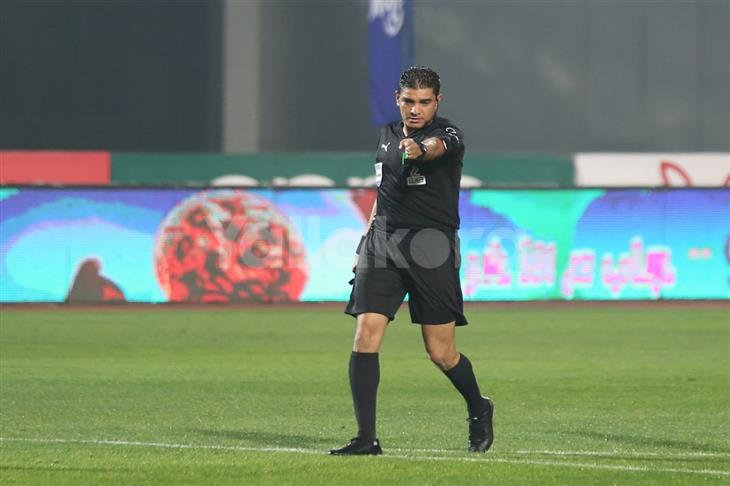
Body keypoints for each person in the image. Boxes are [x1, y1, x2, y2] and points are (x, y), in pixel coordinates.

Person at [330, 67, 493, 456]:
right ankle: (366, 438)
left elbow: (435, 147)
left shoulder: (449, 135)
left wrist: (419, 149)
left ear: (438, 101)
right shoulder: (386, 135)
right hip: (383, 243)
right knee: (365, 334)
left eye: (423, 102)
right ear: (396, 99)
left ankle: (478, 405)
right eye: (408, 101)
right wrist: (364, 241)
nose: (415, 109)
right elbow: (382, 192)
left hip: (431, 247)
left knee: (440, 352)